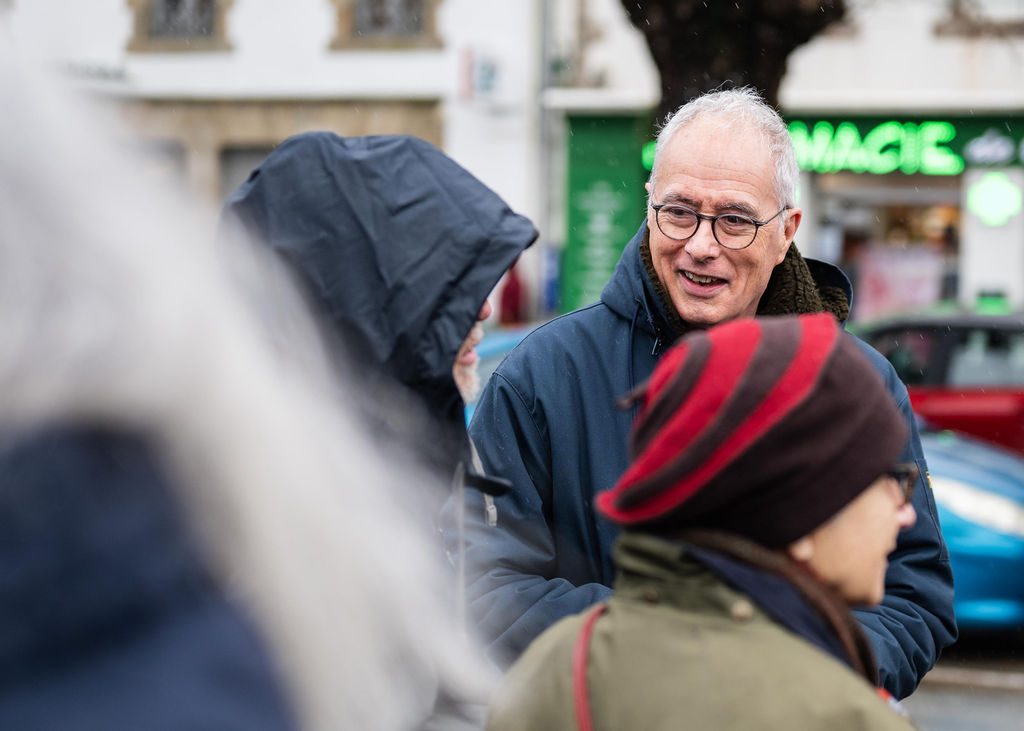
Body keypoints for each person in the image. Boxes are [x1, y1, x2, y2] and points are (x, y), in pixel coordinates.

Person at [0, 49, 497, 730]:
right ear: (381, 301)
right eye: (457, 289)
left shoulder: (414, 452)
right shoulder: (244, 506)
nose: (486, 312)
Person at [458, 87, 955, 698]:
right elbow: (486, 583)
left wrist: (795, 684)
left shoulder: (858, 386)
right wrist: (666, 660)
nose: (700, 243)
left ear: (786, 231)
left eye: (735, 220)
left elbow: (913, 598)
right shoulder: (542, 373)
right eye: (679, 211)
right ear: (648, 205)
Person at [487, 314, 919, 731]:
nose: (907, 511)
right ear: (801, 517)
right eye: (890, 481)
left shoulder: (553, 673)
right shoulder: (843, 716)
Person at [221, 132, 537, 508]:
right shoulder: (295, 503)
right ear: (370, 303)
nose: (484, 310)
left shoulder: (390, 464)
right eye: (445, 288)